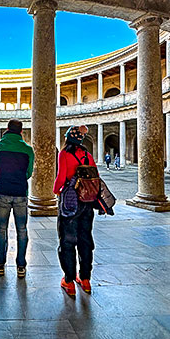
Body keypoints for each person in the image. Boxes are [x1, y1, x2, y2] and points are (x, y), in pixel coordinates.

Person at [53, 125, 97, 297]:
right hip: (87, 202)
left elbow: (61, 177)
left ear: (67, 139)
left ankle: (69, 281)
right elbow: (95, 177)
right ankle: (85, 280)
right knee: (86, 240)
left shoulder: (64, 154)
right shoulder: (87, 155)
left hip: (70, 203)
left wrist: (57, 191)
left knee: (67, 241)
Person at [0, 119, 34, 279]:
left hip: (3, 191)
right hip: (21, 193)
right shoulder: (27, 149)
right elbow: (29, 172)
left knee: (1, 229)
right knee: (22, 230)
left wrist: (4, 179)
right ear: (21, 132)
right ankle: (21, 266)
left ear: (7, 129)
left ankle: (0, 264)